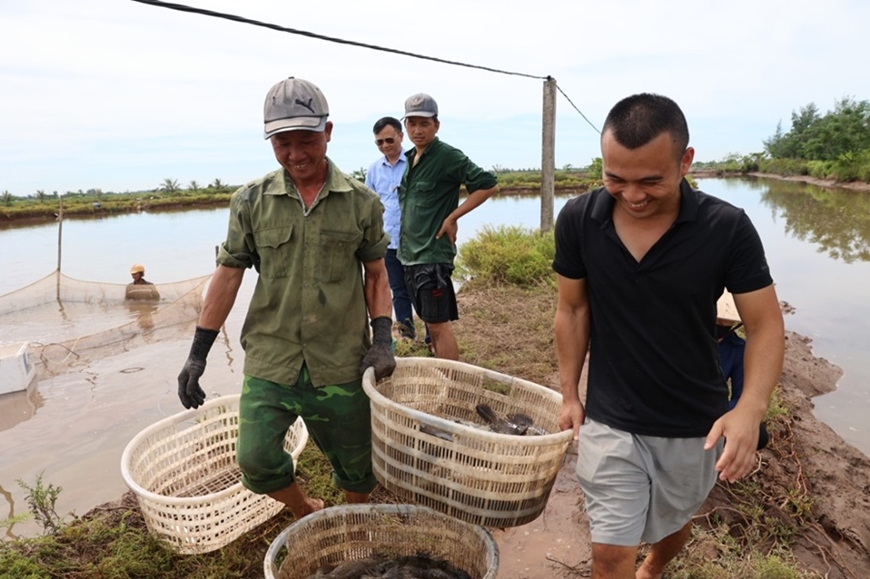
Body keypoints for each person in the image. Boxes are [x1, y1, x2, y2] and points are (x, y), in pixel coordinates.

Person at [553, 93, 785, 579]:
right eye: (615, 178)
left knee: (674, 521)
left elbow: (765, 324)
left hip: (692, 420)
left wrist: (748, 409)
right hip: (610, 415)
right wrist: (570, 393)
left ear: (685, 162)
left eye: (651, 181)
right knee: (610, 554)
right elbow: (572, 310)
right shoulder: (578, 220)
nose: (632, 195)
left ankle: (656, 565)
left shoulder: (727, 228)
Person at [176, 77, 396, 520]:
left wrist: (383, 339)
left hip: (340, 360)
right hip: (272, 360)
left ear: (328, 132)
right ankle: (304, 509)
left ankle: (354, 524)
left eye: (306, 140)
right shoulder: (250, 202)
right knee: (255, 462)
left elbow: (376, 275)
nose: (295, 154)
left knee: (358, 469)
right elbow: (228, 275)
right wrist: (197, 353)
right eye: (282, 143)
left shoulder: (362, 202)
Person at [398, 93, 498, 360]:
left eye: (425, 123)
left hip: (432, 257)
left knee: (439, 327)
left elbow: (487, 184)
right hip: (410, 256)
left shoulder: (447, 156)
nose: (417, 130)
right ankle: (445, 378)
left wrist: (453, 217)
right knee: (430, 323)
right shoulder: (410, 158)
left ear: (436, 125)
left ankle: (453, 387)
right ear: (405, 125)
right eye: (412, 123)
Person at [364, 116, 420, 341]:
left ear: (400, 136)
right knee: (398, 290)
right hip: (389, 241)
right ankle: (407, 336)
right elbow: (369, 205)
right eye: (379, 142)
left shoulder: (415, 161)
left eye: (389, 140)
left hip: (417, 241)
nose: (385, 145)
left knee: (421, 290)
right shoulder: (374, 170)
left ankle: (431, 337)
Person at [716, 291, 770, 451]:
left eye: (728, 325)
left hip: (712, 408)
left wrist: (720, 411)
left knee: (759, 435)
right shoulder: (685, 337)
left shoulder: (737, 349)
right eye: (718, 322)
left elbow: (740, 397)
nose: (721, 330)